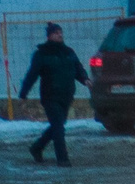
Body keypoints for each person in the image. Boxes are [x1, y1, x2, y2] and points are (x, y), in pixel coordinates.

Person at [21, 22, 88, 166]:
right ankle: (62, 159)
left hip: (67, 95)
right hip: (50, 95)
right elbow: (32, 74)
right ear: (50, 35)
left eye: (61, 32)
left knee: (58, 125)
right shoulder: (42, 54)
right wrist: (23, 92)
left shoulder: (69, 52)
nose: (60, 35)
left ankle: (37, 148)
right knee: (58, 127)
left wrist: (85, 79)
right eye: (57, 33)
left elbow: (77, 68)